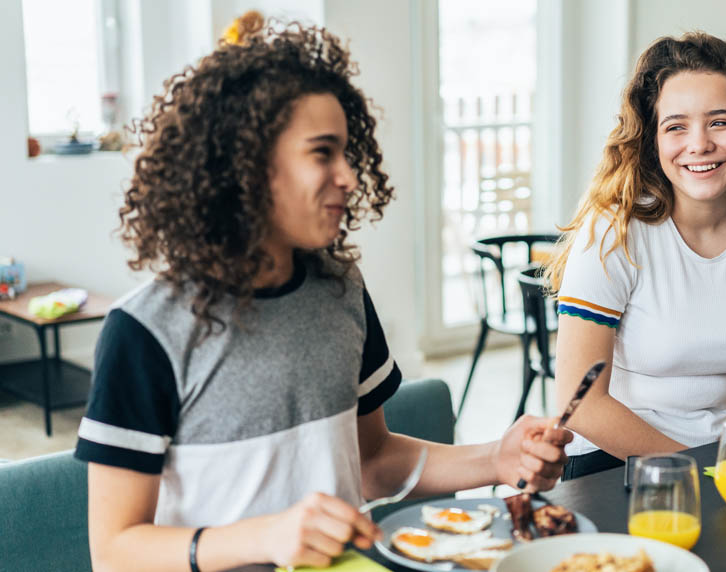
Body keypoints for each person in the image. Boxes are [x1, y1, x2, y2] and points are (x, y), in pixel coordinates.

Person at [75, 18, 570, 571]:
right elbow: (115, 550)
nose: (350, 177)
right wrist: (266, 537)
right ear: (249, 166)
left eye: (346, 152)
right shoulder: (145, 332)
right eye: (322, 153)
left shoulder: (342, 291)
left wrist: (495, 458)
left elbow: (373, 459)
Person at [544, 32, 726, 480]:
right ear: (654, 143)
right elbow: (580, 404)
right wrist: (703, 471)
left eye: (721, 122)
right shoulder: (613, 235)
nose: (700, 143)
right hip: (610, 465)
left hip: (722, 462)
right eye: (676, 126)